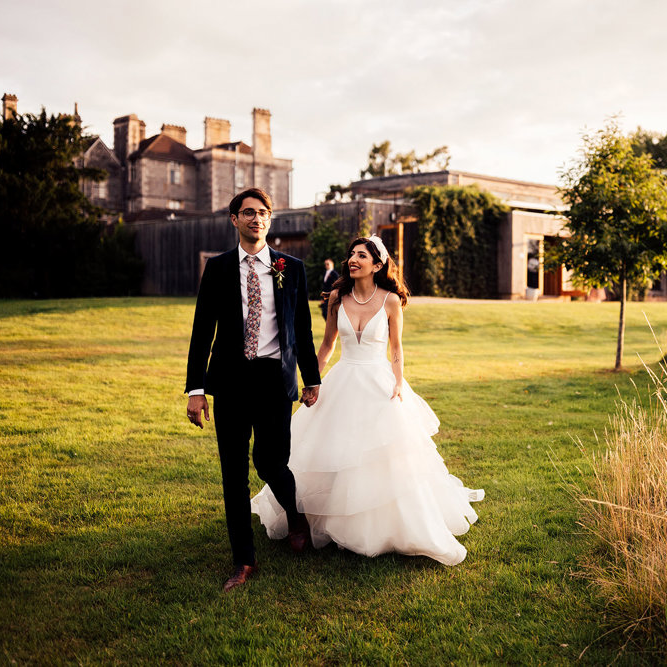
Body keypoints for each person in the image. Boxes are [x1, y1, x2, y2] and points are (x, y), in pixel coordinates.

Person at [251, 236, 483, 565]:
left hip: (379, 382)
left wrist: (399, 383)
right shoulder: (336, 297)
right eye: (352, 255)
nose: (353, 259)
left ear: (377, 265)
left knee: (384, 454)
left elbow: (397, 349)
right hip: (343, 380)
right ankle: (315, 518)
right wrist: (312, 382)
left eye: (362, 255)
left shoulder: (390, 301)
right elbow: (329, 345)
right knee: (330, 449)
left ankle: (382, 525)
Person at [185, 188, 322, 592]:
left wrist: (311, 379)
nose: (255, 219)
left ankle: (294, 517)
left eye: (262, 213)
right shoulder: (218, 268)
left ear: (269, 219)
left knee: (271, 461)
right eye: (248, 213)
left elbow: (302, 330)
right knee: (233, 473)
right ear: (234, 219)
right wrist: (196, 390)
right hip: (229, 381)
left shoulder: (290, 267)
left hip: (274, 380)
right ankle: (244, 560)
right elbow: (201, 331)